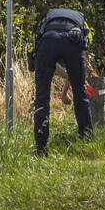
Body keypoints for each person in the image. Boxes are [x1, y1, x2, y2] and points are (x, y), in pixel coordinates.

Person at [31, 8, 93, 156]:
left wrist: (64, 92)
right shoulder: (82, 27)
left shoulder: (46, 22)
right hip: (72, 42)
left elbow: (44, 59)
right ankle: (87, 143)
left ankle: (41, 148)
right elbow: (76, 73)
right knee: (81, 95)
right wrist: (67, 90)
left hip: (47, 43)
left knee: (41, 98)